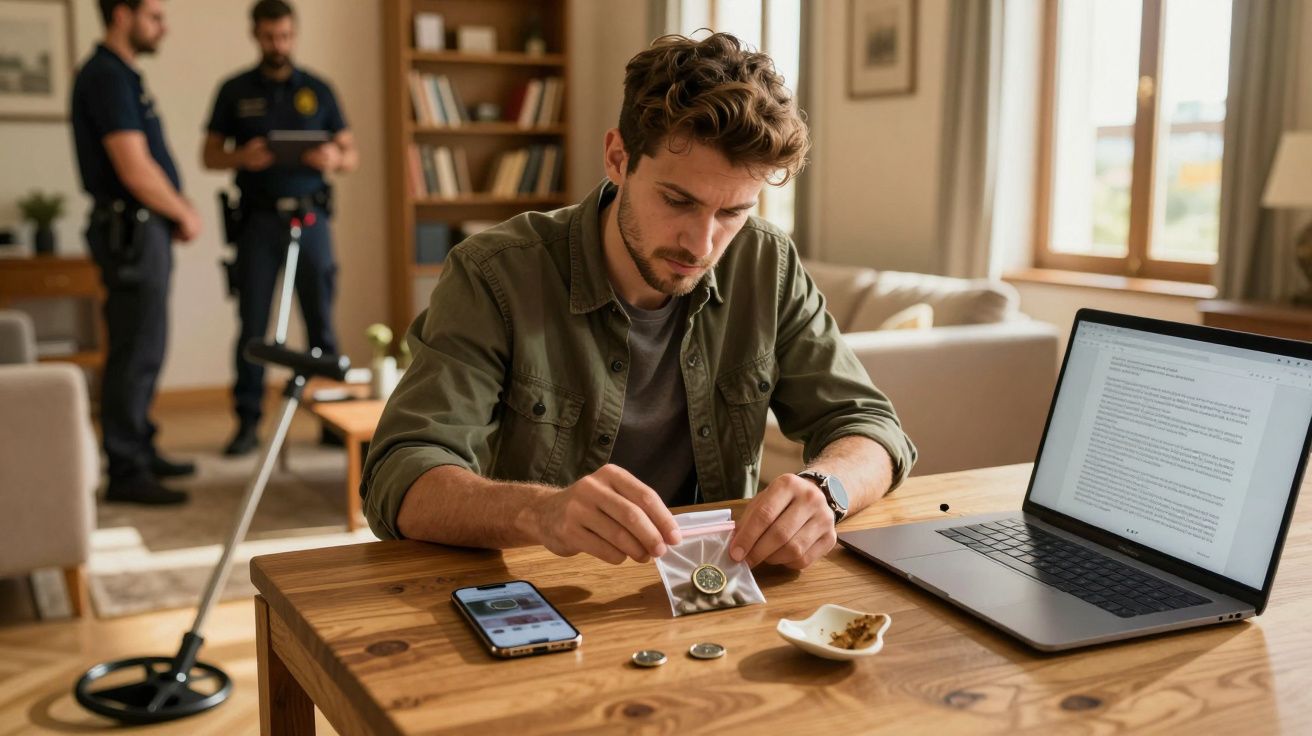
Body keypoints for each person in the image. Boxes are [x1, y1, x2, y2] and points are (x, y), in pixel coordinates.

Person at [361, 33, 917, 570]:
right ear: (617, 158)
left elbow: (872, 427)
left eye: (732, 213)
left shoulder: (766, 263)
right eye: (678, 200)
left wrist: (828, 489)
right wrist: (541, 512)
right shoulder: (494, 274)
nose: (701, 245)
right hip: (536, 588)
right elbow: (399, 475)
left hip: (711, 586)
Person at [202, 0, 358, 456]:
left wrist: (333, 158)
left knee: (321, 321)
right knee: (253, 324)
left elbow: (351, 154)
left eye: (285, 36)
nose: (278, 45)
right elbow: (209, 155)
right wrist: (241, 157)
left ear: (294, 34)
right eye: (270, 37)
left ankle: (333, 420)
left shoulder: (318, 89)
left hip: (311, 219)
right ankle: (248, 421)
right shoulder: (234, 90)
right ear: (255, 35)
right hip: (258, 221)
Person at [71, 0, 200, 505]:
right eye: (154, 15)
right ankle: (126, 468)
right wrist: (183, 211)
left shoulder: (122, 75)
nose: (162, 26)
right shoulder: (106, 76)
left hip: (142, 228)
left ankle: (140, 445)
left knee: (146, 343)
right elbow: (134, 168)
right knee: (135, 348)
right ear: (122, 14)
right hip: (131, 230)